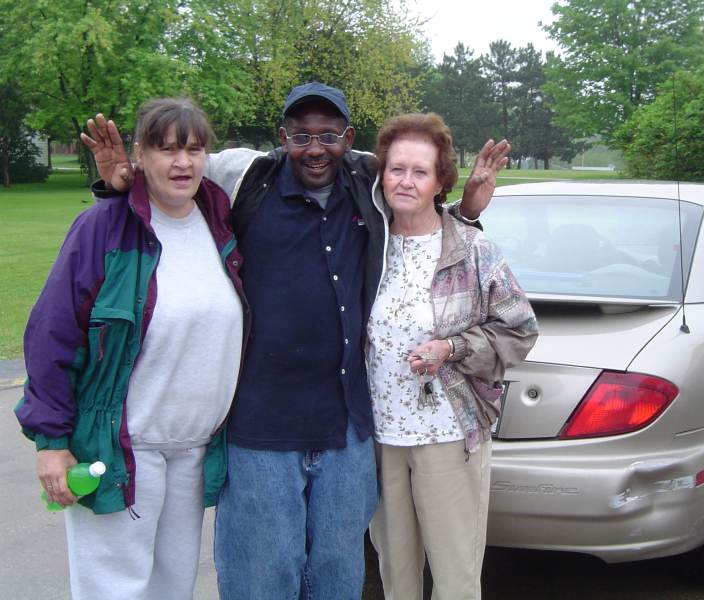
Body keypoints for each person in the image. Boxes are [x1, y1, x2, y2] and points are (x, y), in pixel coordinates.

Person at [81, 82, 510, 599]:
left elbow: (421, 214)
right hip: (261, 430)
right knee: (262, 579)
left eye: (328, 135)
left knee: (336, 579)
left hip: (346, 430)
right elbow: (175, 171)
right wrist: (124, 183)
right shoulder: (243, 179)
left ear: (348, 138)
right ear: (282, 138)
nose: (315, 148)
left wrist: (465, 211)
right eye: (301, 136)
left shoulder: (369, 182)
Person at [15, 97, 248, 599]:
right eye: (166, 149)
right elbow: (52, 334)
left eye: (193, 149)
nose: (182, 162)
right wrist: (52, 443)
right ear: (139, 154)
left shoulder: (220, 221)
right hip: (120, 449)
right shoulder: (103, 228)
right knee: (114, 590)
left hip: (192, 450)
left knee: (173, 587)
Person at [366, 113, 538, 600]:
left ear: (441, 181)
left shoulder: (470, 249)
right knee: (396, 574)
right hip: (380, 437)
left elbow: (520, 329)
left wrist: (452, 347)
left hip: (448, 432)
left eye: (420, 171)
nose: (405, 181)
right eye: (396, 169)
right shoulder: (368, 244)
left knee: (455, 577)